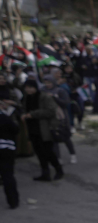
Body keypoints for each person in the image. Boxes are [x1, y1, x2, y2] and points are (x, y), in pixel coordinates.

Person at [21, 79, 64, 181]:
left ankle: (59, 170)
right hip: (32, 129)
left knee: (48, 152)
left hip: (44, 129)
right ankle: (45, 173)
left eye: (30, 87)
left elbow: (51, 111)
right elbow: (23, 109)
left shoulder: (43, 97)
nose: (28, 90)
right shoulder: (26, 97)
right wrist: (23, 114)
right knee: (39, 152)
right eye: (26, 88)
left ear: (35, 87)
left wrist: (33, 114)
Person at [43, 75, 76, 164]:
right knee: (54, 139)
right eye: (46, 83)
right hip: (50, 118)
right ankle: (58, 158)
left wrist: (54, 97)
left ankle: (73, 155)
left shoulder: (60, 91)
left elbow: (66, 103)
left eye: (49, 83)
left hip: (61, 117)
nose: (47, 85)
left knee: (66, 138)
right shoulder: (43, 91)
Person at [0, 75, 20, 208]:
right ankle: (13, 202)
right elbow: (15, 129)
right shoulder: (5, 118)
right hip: (7, 149)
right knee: (8, 175)